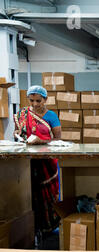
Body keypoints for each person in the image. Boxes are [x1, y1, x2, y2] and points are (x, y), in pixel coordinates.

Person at [14, 85, 62, 243]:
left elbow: (58, 140)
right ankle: (32, 228)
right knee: (31, 194)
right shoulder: (23, 114)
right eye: (31, 100)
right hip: (28, 161)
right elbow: (18, 131)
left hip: (46, 162)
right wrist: (18, 135)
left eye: (38, 101)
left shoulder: (51, 116)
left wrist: (42, 141)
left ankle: (48, 227)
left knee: (46, 195)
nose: (34, 104)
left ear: (45, 99)